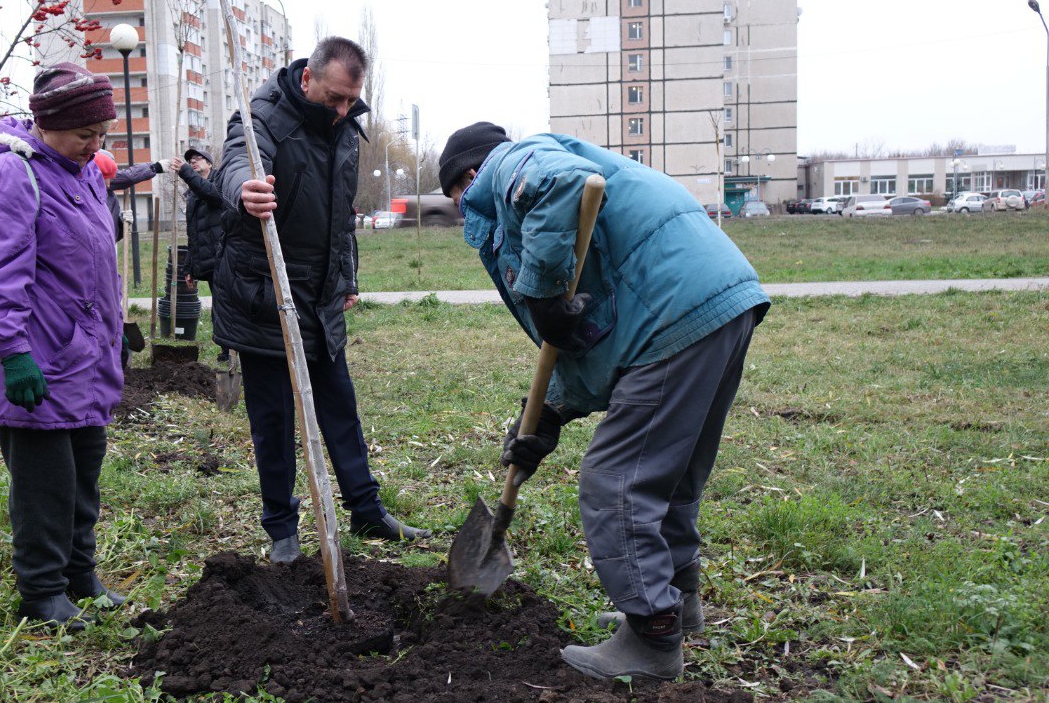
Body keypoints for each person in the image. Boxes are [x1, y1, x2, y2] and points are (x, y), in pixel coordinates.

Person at [439, 122, 770, 681]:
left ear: (468, 178)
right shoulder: (546, 163)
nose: (468, 215)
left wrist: (540, 293)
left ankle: (652, 639)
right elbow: (590, 333)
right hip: (716, 299)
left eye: (459, 203)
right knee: (671, 474)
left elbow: (564, 184)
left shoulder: (508, 165)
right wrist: (549, 413)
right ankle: (676, 602)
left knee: (614, 482)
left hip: (673, 311)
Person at [216, 36, 430, 563]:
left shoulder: (346, 128)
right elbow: (235, 163)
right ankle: (282, 530)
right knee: (273, 417)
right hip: (266, 288)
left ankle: (366, 509)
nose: (341, 110)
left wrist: (347, 276)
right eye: (333, 98)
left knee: (339, 402)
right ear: (307, 79)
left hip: (323, 293)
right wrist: (245, 190)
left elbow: (342, 216)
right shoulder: (260, 116)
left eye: (350, 101)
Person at [0, 62, 125, 631]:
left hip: (82, 355)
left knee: (83, 473)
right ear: (46, 125)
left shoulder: (81, 173)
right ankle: (41, 592)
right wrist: (12, 352)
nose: (94, 147)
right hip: (38, 358)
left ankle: (80, 576)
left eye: (102, 136)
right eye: (85, 136)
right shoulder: (8, 174)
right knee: (44, 484)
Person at [177, 146, 226, 360]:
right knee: (219, 304)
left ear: (210, 164)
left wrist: (186, 172)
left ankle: (230, 350)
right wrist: (189, 267)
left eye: (198, 159)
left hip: (224, 257)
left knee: (224, 304)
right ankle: (226, 348)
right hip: (207, 259)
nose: (194, 162)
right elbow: (193, 234)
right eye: (190, 160)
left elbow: (213, 196)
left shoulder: (219, 183)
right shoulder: (192, 195)